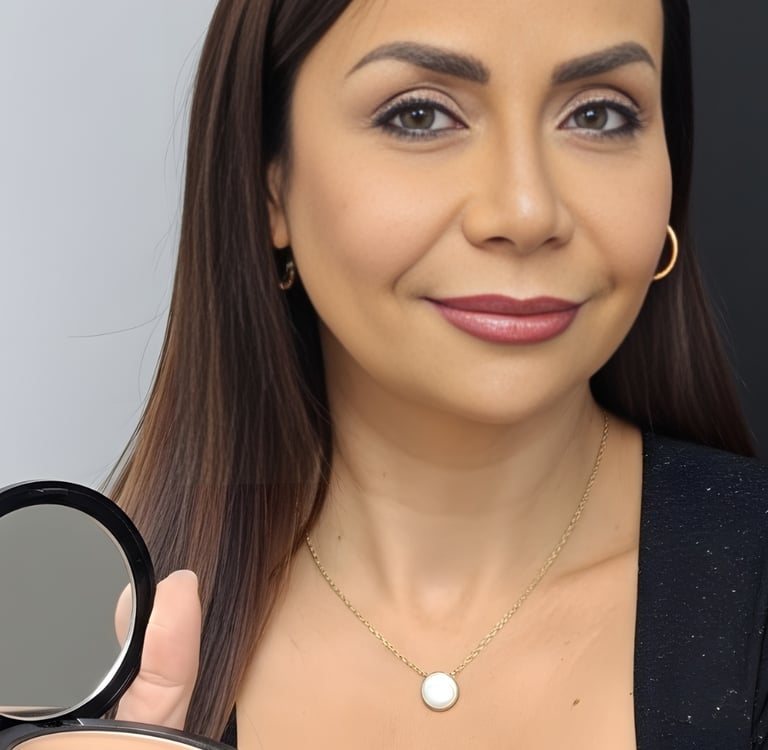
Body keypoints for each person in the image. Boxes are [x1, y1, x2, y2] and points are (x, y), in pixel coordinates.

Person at [108, 0, 768, 747]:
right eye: (419, 116)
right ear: (269, 187)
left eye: (598, 116)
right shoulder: (65, 646)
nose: (526, 212)